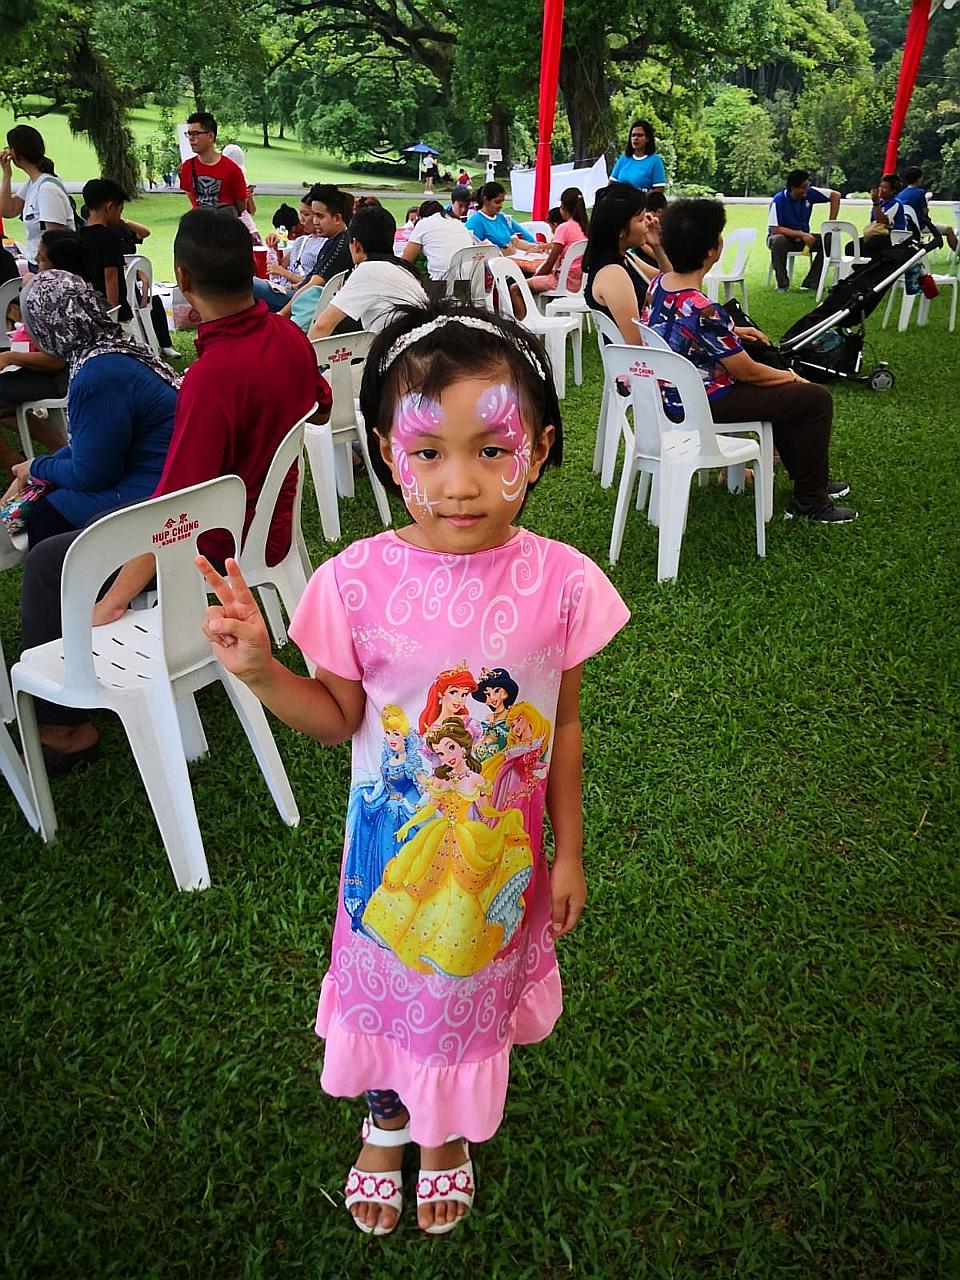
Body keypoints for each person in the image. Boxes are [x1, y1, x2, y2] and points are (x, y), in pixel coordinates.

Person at [194, 298, 629, 1237]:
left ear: (541, 448)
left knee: (464, 996)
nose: (460, 484)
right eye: (428, 453)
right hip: (391, 852)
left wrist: (569, 854)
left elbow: (564, 732)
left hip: (494, 869)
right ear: (388, 449)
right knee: (393, 989)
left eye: (492, 449)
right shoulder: (353, 582)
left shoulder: (562, 583)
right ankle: (389, 1116)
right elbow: (341, 716)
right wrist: (264, 671)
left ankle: (446, 1135)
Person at [17, 207, 332, 774]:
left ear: (181, 278)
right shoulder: (288, 335)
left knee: (45, 561)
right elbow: (320, 404)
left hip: (218, 542)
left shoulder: (213, 377)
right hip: (266, 524)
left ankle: (66, 729)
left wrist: (113, 599)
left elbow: (172, 517)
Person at [641, 198, 857, 524]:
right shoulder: (703, 310)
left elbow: (684, 308)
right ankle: (810, 501)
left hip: (675, 396)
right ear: (713, 249)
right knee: (813, 398)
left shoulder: (660, 284)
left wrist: (734, 330)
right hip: (704, 402)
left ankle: (811, 480)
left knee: (784, 395)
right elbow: (747, 372)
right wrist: (792, 378)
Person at [1, 271, 178, 547]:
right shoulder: (109, 349)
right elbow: (94, 443)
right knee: (49, 494)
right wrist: (35, 469)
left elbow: (94, 476)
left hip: (158, 496)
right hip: (165, 478)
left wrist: (37, 467)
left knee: (46, 516)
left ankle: (80, 584)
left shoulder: (96, 375)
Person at [309, 205, 427, 339]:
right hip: (420, 347)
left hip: (398, 353)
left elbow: (322, 326)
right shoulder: (404, 270)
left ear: (356, 245)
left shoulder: (368, 270)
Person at [583, 183, 670, 341]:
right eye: (641, 219)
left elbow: (670, 284)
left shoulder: (626, 259)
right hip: (640, 362)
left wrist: (657, 247)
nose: (648, 223)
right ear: (621, 231)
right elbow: (635, 343)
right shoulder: (612, 274)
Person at [272, 185, 353, 318]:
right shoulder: (332, 241)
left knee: (253, 287)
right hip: (299, 294)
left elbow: (313, 285)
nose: (314, 222)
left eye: (320, 216)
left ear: (337, 218)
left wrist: (281, 315)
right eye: (313, 215)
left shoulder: (341, 245)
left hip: (307, 304)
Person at [0, 125, 75, 269]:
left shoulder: (47, 189)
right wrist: (6, 174)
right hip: (37, 263)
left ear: (16, 153)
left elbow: (54, 237)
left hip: (48, 266)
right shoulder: (33, 182)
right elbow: (8, 210)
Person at [767, 169, 841, 292]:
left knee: (829, 239)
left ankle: (811, 282)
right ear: (793, 188)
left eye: (807, 186)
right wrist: (801, 234)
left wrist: (830, 224)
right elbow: (775, 229)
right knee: (777, 240)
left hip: (805, 239)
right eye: (803, 187)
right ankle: (783, 285)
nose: (807, 190)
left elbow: (835, 196)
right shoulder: (778, 200)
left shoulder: (809, 194)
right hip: (785, 239)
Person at [466, 183, 547, 273]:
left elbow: (515, 242)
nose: (501, 205)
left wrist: (534, 247)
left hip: (513, 257)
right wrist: (503, 252)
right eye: (497, 202)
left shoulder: (501, 217)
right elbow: (475, 252)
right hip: (496, 267)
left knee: (545, 265)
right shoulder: (476, 221)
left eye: (502, 202)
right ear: (486, 200)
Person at [77, 178, 129, 315]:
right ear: (109, 207)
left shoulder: (78, 237)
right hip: (112, 313)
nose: (119, 217)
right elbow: (111, 277)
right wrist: (113, 314)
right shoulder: (110, 238)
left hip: (89, 311)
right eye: (120, 210)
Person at [527, 187, 590, 296]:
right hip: (582, 284)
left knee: (517, 288)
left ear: (562, 207)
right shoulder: (587, 228)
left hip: (563, 282)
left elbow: (550, 261)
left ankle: (529, 313)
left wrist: (535, 277)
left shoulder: (564, 228)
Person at [179, 113, 247, 212]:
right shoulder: (187, 167)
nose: (191, 138)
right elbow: (191, 197)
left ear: (210, 136)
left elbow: (241, 205)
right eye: (189, 134)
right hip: (199, 223)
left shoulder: (232, 169)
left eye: (195, 134)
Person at [401, 198, 475, 284]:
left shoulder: (424, 223)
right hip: (469, 282)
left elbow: (406, 260)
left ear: (421, 217)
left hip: (441, 283)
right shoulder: (458, 223)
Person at [896, 166, 958, 251]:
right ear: (918, 179)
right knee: (949, 229)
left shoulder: (900, 195)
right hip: (920, 226)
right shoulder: (920, 192)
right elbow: (925, 212)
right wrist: (926, 202)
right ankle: (958, 253)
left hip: (906, 227)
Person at [610, 120, 667, 193]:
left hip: (643, 203)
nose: (635, 138)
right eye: (633, 135)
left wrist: (640, 197)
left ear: (647, 139)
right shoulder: (623, 159)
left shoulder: (655, 161)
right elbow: (611, 184)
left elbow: (659, 190)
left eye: (640, 135)